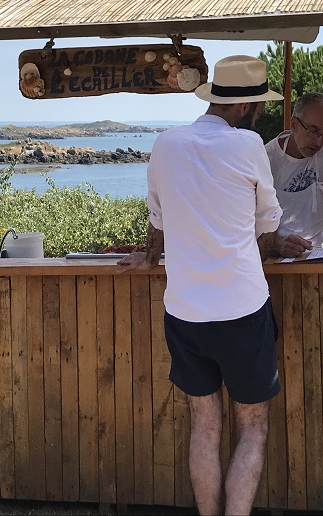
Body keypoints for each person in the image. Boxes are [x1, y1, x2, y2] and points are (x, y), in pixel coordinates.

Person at [118, 55, 283, 516]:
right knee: (252, 427)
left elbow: (158, 226)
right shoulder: (249, 144)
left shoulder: (165, 143)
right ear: (246, 107)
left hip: (185, 310)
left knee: (204, 428)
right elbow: (266, 230)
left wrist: (147, 258)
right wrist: (277, 243)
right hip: (243, 308)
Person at [265, 92, 323, 257]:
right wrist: (276, 244)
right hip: (283, 256)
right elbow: (250, 220)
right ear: (294, 125)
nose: (319, 141)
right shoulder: (268, 158)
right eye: (313, 131)